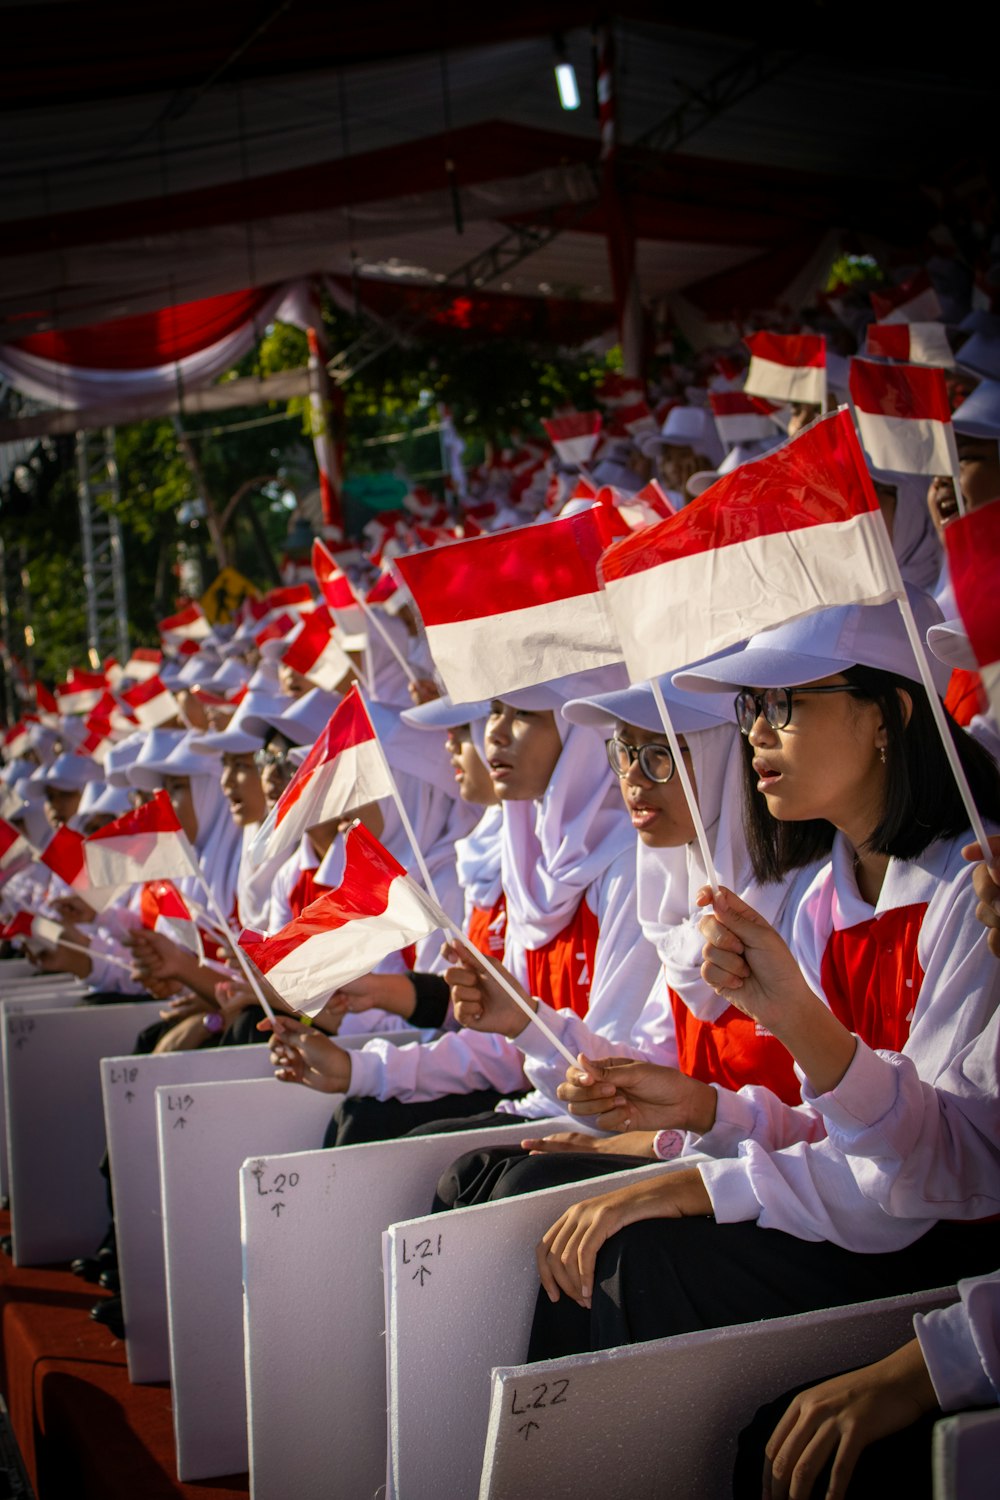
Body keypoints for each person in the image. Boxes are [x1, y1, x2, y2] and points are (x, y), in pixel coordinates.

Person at [526, 593, 1000, 1360]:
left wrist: (701, 1180)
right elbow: (845, 1133)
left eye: (784, 702)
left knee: (636, 1260)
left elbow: (932, 1170)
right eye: (751, 705)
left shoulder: (975, 889)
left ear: (890, 715)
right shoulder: (824, 899)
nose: (754, 730)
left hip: (953, 1255)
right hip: (874, 1217)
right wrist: (702, 1109)